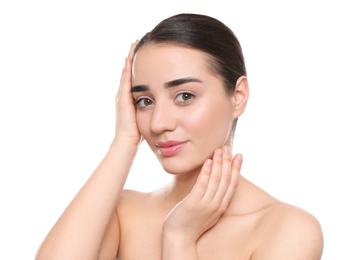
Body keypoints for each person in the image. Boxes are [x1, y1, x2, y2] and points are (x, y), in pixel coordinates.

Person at [36, 13, 324, 259]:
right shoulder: (123, 213)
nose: (159, 123)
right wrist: (124, 141)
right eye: (144, 101)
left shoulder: (288, 229)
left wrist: (179, 239)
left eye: (184, 96)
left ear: (238, 96)